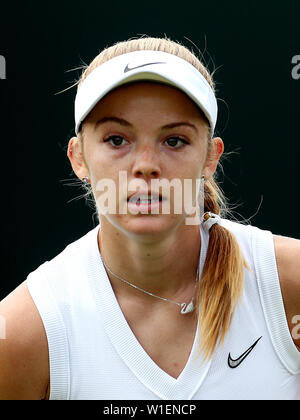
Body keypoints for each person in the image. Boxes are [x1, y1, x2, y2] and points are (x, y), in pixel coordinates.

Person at [0, 37, 299, 401]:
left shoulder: (288, 284)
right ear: (78, 158)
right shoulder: (23, 330)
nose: (145, 165)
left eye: (173, 141)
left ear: (210, 157)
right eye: (116, 139)